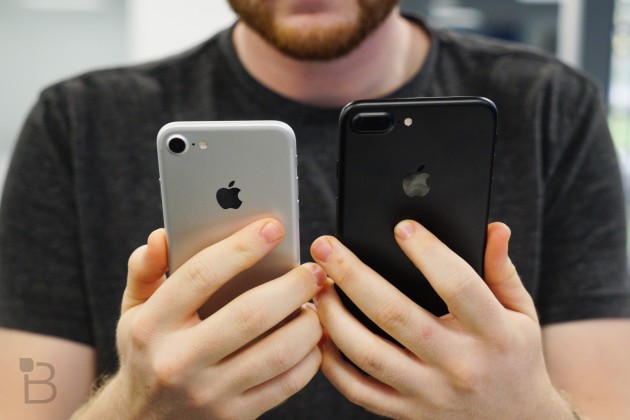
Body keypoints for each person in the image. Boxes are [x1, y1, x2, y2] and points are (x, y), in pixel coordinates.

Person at [1, 1, 629, 418]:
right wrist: (133, 409)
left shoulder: (551, 108)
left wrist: (526, 412)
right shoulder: (76, 123)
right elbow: (27, 394)